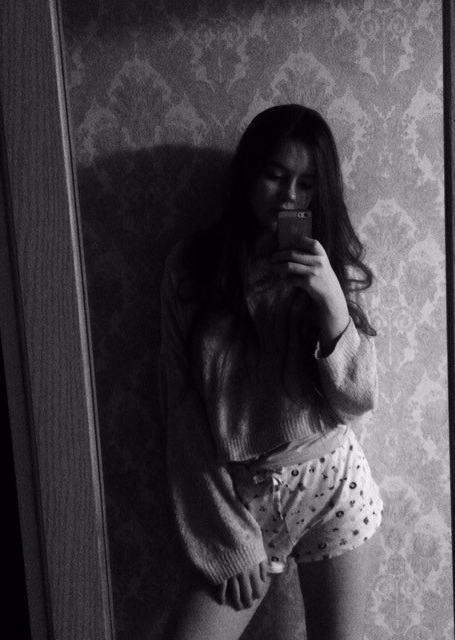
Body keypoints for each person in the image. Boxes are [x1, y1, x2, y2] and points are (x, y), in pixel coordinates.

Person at [159, 104, 383, 640]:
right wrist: (227, 537)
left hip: (333, 484)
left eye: (306, 184)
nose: (289, 197)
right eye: (275, 176)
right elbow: (181, 409)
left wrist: (331, 302)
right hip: (245, 499)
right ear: (248, 173)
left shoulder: (328, 264)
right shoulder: (190, 267)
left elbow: (357, 399)